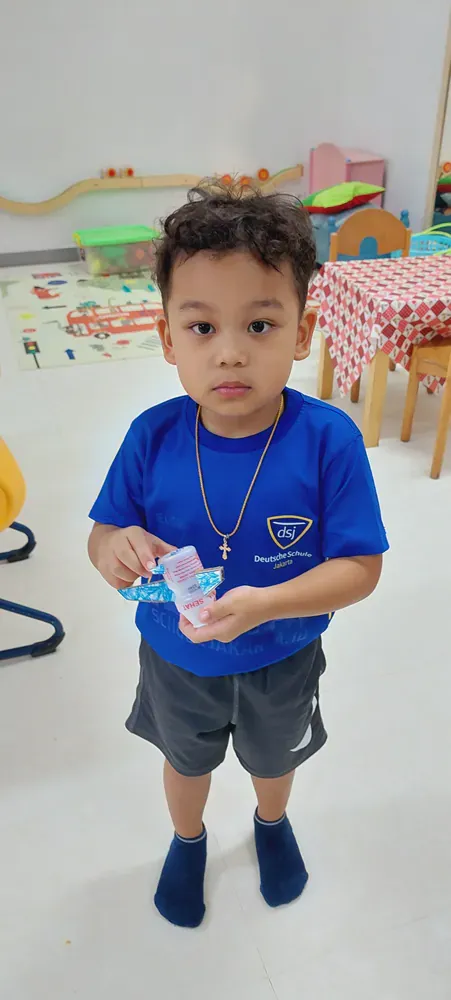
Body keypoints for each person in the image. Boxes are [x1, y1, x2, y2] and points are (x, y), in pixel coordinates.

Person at [88, 181, 388, 929]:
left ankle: (269, 823)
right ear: (165, 339)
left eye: (259, 324)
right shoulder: (149, 438)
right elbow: (101, 538)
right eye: (199, 328)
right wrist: (113, 550)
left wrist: (266, 605)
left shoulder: (328, 441)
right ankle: (186, 840)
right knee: (184, 762)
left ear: (302, 332)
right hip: (176, 659)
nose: (228, 352)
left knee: (272, 759)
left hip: (282, 657)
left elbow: (361, 569)